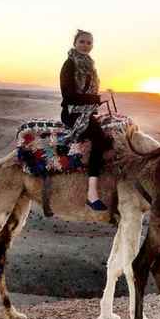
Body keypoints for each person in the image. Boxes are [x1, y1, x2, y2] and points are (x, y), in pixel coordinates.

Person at [60, 29, 114, 211]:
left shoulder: (90, 66)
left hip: (87, 113)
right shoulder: (69, 64)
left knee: (112, 138)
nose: (85, 45)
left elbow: (89, 93)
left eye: (89, 43)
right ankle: (92, 195)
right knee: (99, 139)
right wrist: (98, 99)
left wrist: (102, 96)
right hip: (72, 114)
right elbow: (69, 96)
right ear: (75, 43)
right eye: (82, 41)